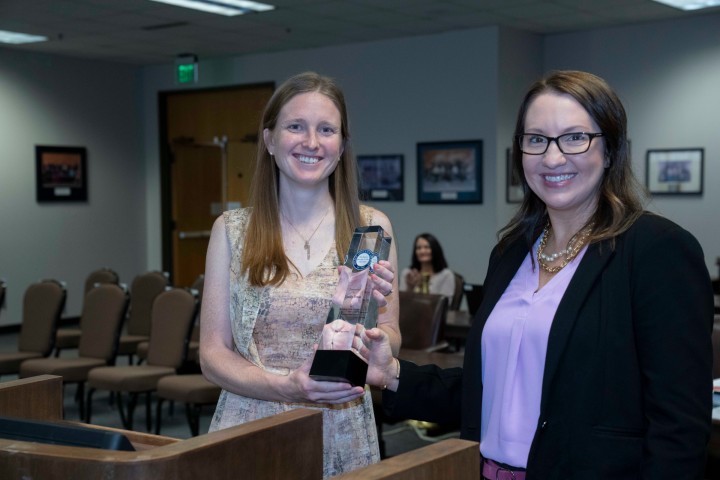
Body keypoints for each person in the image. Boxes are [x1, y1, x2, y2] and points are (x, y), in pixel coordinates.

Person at [359, 70, 714, 479]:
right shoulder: (510, 253)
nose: (553, 157)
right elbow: (489, 391)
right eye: (536, 140)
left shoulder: (656, 250)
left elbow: (679, 426)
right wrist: (393, 374)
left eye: (575, 137)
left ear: (611, 147)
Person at [199, 71, 400, 478]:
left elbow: (391, 334)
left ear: (341, 145)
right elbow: (212, 354)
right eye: (296, 127)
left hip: (343, 429)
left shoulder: (371, 228)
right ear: (270, 140)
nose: (311, 142)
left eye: (326, 129)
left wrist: (375, 339)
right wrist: (287, 387)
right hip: (250, 426)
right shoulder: (232, 231)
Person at [399, 233, 455, 300]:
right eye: (418, 248)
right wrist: (410, 287)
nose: (422, 251)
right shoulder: (408, 273)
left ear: (435, 250)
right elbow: (401, 302)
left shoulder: (446, 275)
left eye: (427, 247)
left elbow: (446, 304)